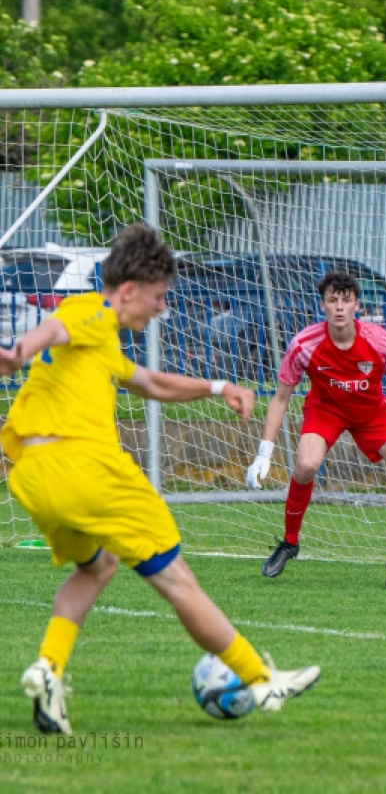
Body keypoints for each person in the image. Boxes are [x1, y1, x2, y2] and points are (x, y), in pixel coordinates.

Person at [0, 224, 320, 736]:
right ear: (127, 292)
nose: (162, 309)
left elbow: (146, 381)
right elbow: (52, 330)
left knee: (96, 566)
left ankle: (49, 670)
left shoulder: (100, 341)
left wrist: (217, 386)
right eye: (158, 297)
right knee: (177, 580)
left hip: (35, 478)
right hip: (90, 470)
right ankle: (261, 679)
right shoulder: (90, 313)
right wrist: (16, 352)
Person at [246, 269, 386, 590]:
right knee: (306, 466)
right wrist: (264, 454)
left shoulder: (380, 342)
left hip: (372, 413)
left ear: (357, 306)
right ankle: (290, 541)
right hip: (326, 410)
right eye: (332, 300)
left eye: (346, 300)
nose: (339, 306)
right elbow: (280, 398)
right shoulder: (303, 345)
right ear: (322, 306)